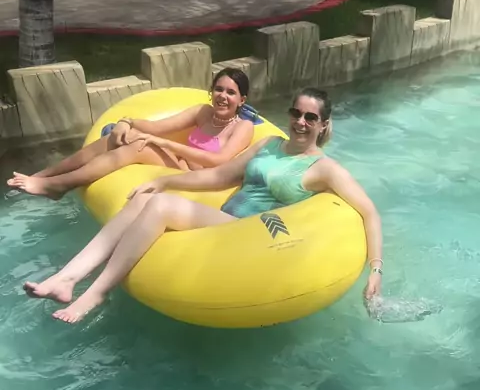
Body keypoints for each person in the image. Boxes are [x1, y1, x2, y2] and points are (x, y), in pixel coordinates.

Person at [24, 87, 383, 324]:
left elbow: (368, 211)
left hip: (252, 234)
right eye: (296, 113)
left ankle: (96, 294)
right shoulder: (269, 144)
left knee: (161, 207)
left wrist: (375, 269)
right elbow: (220, 176)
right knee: (146, 198)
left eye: (310, 118)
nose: (300, 122)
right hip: (223, 219)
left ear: (323, 125)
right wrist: (165, 180)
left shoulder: (324, 169)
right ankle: (67, 278)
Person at [6, 68, 254, 199]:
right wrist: (126, 122)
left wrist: (165, 145)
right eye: (219, 89)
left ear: (242, 100)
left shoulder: (243, 126)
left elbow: (219, 161)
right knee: (118, 137)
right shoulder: (203, 112)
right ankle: (44, 175)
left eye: (230, 92)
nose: (222, 96)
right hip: (180, 163)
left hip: (199, 178)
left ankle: (59, 185)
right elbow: (158, 127)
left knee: (140, 146)